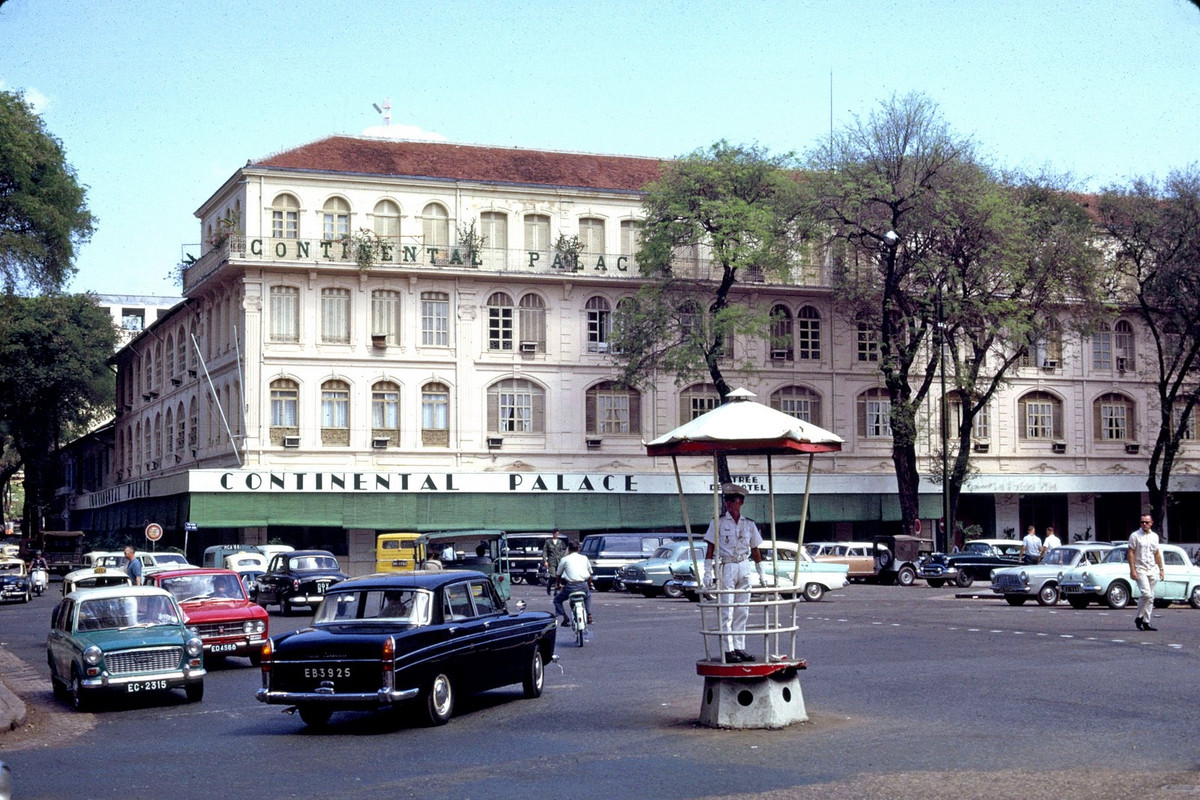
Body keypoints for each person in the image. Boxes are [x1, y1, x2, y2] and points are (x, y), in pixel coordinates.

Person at [703, 483, 764, 664]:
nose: (729, 503)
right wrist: (707, 572)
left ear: (741, 502)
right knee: (726, 610)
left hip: (744, 565)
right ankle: (728, 649)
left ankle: (739, 646)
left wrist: (761, 573)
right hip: (728, 565)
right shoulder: (718, 522)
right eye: (727, 500)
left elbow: (755, 549)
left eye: (733, 500)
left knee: (742, 610)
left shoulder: (749, 524)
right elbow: (710, 547)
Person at [1129, 513, 1165, 631]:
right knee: (1146, 594)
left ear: (1151, 523)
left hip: (1152, 569)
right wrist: (1132, 569)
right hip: (1140, 569)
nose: (1144, 524)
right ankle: (1139, 617)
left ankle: (1146, 622)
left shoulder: (1155, 536)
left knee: (1151, 597)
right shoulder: (1135, 536)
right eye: (1142, 522)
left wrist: (1161, 569)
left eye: (1146, 522)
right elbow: (1130, 553)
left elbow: (1157, 553)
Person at [552, 541, 593, 626]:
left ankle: (565, 617)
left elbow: (558, 575)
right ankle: (589, 614)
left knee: (557, 600)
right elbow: (590, 574)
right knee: (588, 595)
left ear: (569, 549)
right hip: (583, 585)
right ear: (578, 549)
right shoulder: (584, 558)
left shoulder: (564, 559)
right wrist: (590, 584)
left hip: (570, 587)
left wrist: (558, 585)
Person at [542, 529, 567, 596]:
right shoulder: (548, 542)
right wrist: (545, 561)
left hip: (559, 560)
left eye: (557, 533)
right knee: (553, 576)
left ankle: (556, 589)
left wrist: (562, 558)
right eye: (555, 533)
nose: (556, 535)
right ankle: (549, 586)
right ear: (553, 534)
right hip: (551, 561)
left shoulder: (560, 542)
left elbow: (563, 551)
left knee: (558, 575)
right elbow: (545, 551)